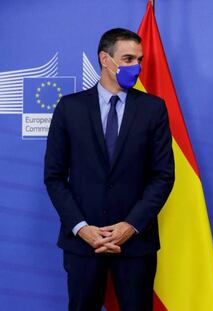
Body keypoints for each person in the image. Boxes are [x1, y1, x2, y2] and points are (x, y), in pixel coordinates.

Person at [44, 28, 175, 311]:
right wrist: (81, 228)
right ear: (105, 59)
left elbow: (163, 175)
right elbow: (54, 177)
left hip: (136, 243)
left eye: (139, 60)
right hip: (83, 243)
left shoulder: (154, 109)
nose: (135, 67)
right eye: (127, 59)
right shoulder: (70, 108)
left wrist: (131, 226)